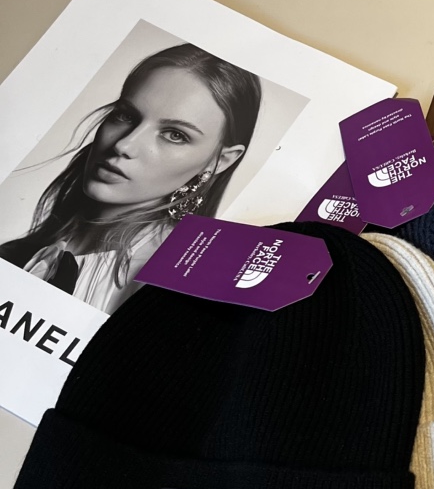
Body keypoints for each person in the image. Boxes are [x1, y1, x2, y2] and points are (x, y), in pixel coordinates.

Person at [0, 43, 262, 313]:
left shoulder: (168, 290)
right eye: (125, 116)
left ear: (221, 160)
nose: (124, 145)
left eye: (175, 135)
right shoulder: (26, 251)